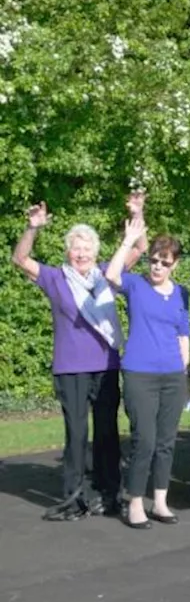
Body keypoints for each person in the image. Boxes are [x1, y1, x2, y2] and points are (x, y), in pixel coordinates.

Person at [11, 195, 144, 520]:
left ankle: (109, 493)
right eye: (76, 248)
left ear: (96, 253)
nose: (82, 253)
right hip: (71, 369)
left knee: (107, 432)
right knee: (76, 434)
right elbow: (20, 258)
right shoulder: (55, 278)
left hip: (107, 366)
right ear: (68, 252)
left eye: (87, 248)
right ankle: (73, 497)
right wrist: (32, 228)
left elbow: (139, 250)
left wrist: (138, 213)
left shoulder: (105, 273)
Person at [104, 219, 190, 530]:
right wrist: (128, 241)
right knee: (145, 440)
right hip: (140, 374)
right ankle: (135, 502)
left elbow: (183, 335)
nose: (156, 266)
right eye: (154, 260)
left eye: (164, 262)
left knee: (166, 442)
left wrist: (185, 374)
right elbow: (112, 274)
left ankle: (161, 501)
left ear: (174, 264)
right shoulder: (136, 285)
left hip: (172, 376)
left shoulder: (181, 293)